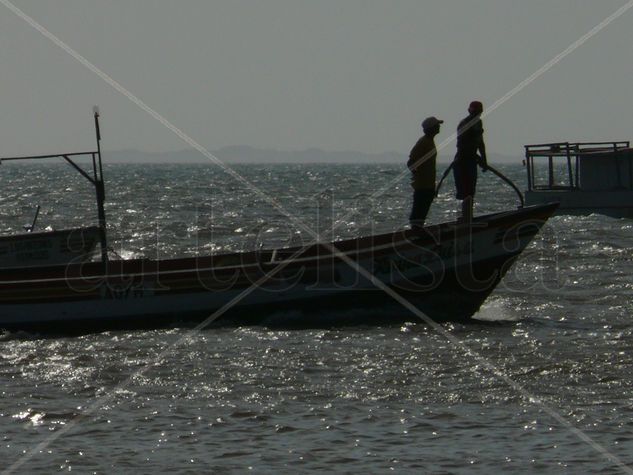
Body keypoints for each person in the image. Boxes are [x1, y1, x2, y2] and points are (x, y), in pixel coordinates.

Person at [453, 100, 488, 221]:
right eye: (475, 112)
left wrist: (484, 159)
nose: (476, 114)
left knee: (471, 190)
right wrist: (476, 157)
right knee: (465, 191)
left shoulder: (478, 122)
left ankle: (468, 216)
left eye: (478, 112)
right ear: (470, 111)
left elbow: (480, 143)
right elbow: (462, 145)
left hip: (471, 160)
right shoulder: (464, 123)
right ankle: (466, 216)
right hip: (462, 160)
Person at [407, 116, 443, 228]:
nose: (439, 127)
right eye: (437, 125)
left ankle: (418, 229)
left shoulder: (429, 141)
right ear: (431, 128)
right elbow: (411, 162)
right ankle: (416, 232)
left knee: (423, 210)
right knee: (419, 210)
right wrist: (418, 175)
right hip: (423, 185)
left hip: (428, 184)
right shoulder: (423, 142)